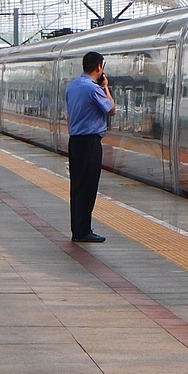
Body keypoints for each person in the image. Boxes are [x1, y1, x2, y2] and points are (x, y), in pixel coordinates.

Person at [64, 51, 114, 243]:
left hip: (75, 141)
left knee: (77, 187)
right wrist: (106, 87)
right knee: (88, 187)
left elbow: (69, 116)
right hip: (90, 144)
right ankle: (83, 231)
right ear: (99, 67)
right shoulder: (93, 89)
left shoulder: (73, 86)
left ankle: (77, 229)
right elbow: (111, 109)